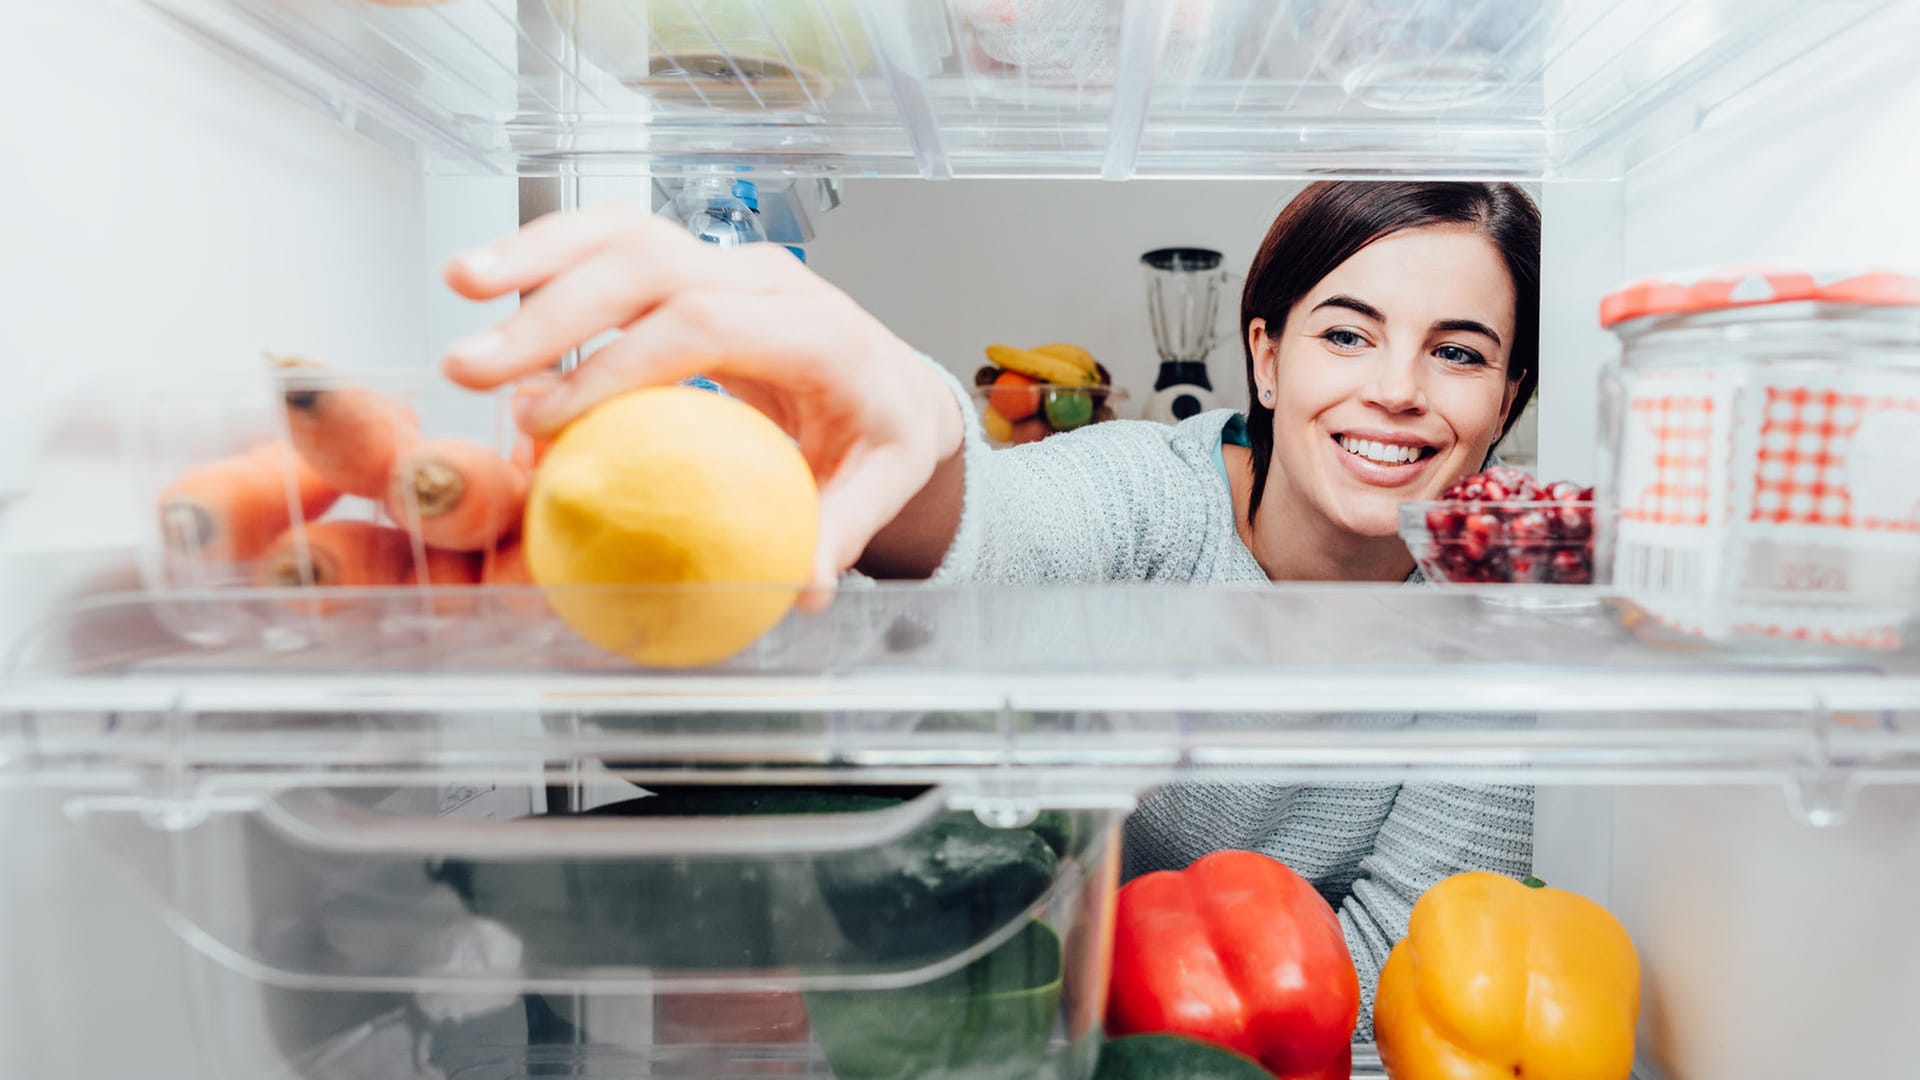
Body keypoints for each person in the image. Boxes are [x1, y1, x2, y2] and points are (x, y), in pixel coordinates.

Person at [441, 180, 1539, 1034]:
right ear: (1264, 355)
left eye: (1458, 353)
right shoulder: (1153, 490)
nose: (1397, 387)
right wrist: (911, 422)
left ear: (1507, 405)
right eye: (1346, 333)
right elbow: (999, 528)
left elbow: (1417, 968)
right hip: (1022, 1007)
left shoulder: (1499, 623)